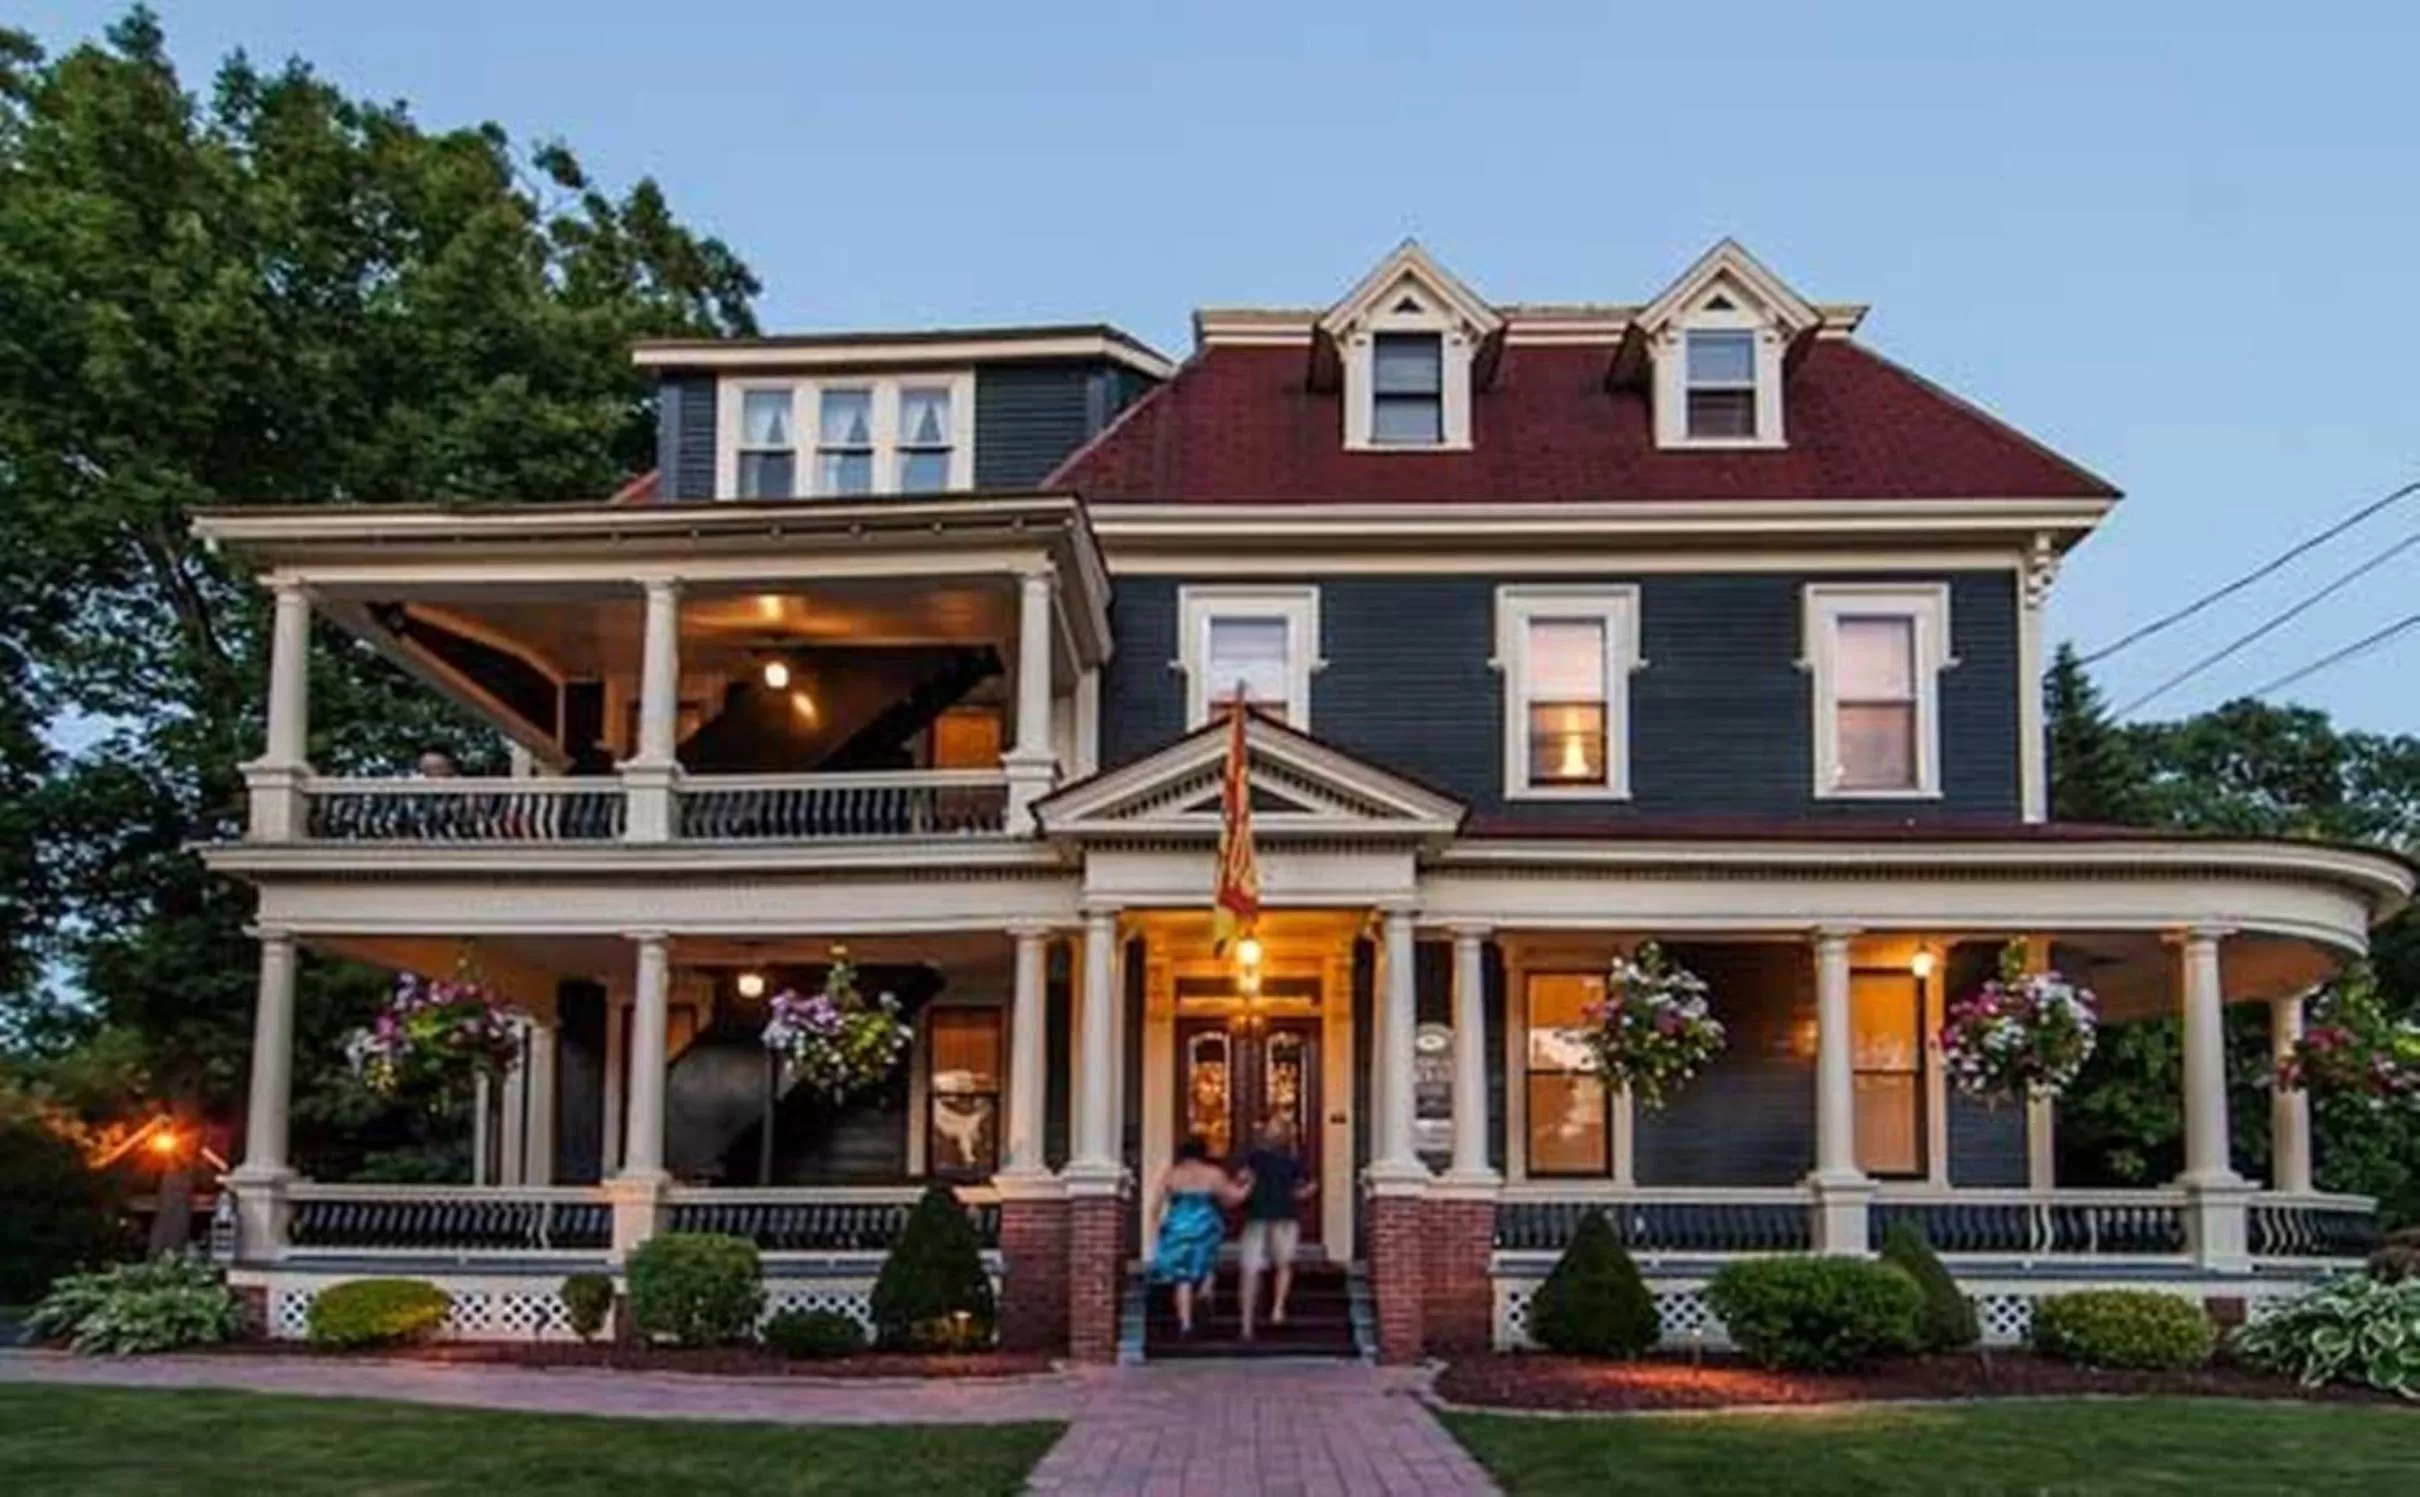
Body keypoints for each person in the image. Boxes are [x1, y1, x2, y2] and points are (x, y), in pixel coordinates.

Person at [1148, 1134, 1244, 1336]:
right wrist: (1248, 1184)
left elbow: (1156, 1206)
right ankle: (1206, 1296)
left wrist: (1156, 1230)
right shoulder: (1213, 1174)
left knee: (1183, 1276)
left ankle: (1185, 1323)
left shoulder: (1172, 1175)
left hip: (1178, 1226)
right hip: (1205, 1224)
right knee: (1206, 1264)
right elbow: (1233, 1198)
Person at [1235, 1117, 1315, 1341]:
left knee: (1283, 1263)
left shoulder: (1292, 1160)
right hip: (1258, 1217)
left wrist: (1300, 1195)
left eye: (1276, 1129)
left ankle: (1277, 1308)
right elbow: (1242, 1178)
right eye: (1270, 1128)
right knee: (1251, 1270)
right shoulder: (1255, 1158)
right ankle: (1246, 1325)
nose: (1272, 1132)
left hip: (1283, 1217)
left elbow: (1310, 1184)